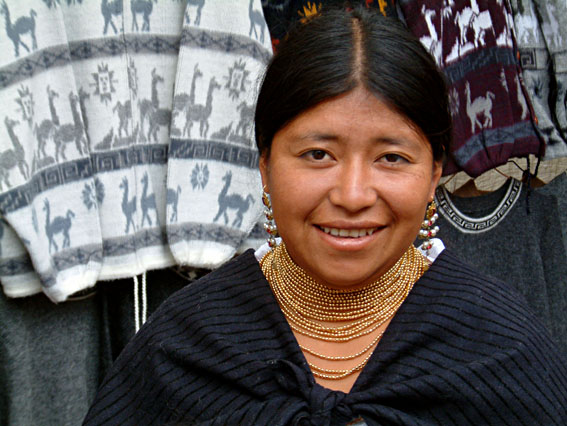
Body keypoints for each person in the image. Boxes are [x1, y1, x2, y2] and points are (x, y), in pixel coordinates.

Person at [83, 6, 567, 425]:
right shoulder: (186, 348)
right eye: (318, 154)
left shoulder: (499, 347)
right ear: (265, 165)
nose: (353, 195)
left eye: (392, 158)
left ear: (434, 173)